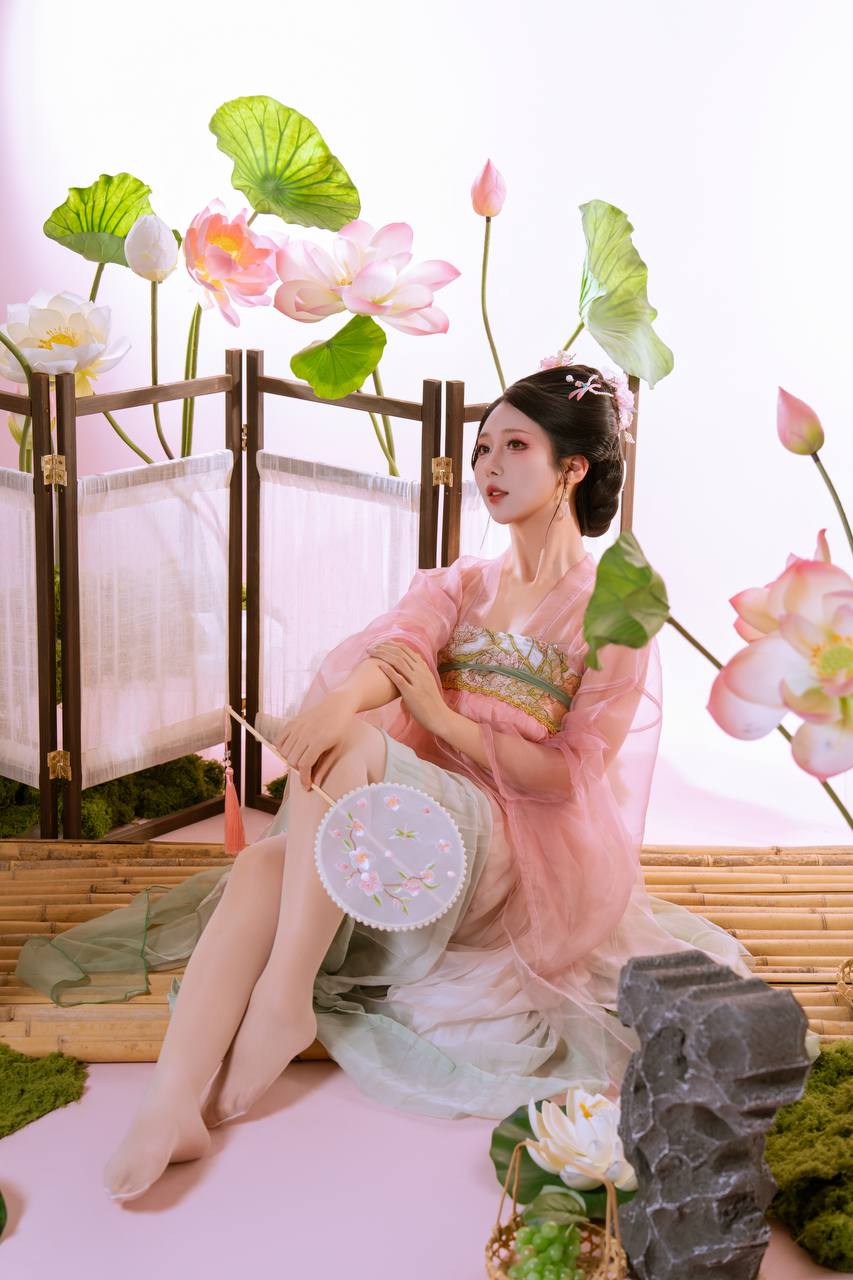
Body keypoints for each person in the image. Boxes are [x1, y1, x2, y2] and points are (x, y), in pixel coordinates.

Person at [15, 362, 753, 1203]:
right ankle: (170, 1104)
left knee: (355, 753)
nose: (488, 465)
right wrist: (340, 702)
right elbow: (396, 649)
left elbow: (568, 775)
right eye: (482, 447)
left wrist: (440, 720)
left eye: (515, 446)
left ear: (571, 469)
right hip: (406, 829)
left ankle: (284, 993)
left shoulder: (615, 613)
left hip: (509, 850)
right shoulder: (459, 584)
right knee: (262, 864)